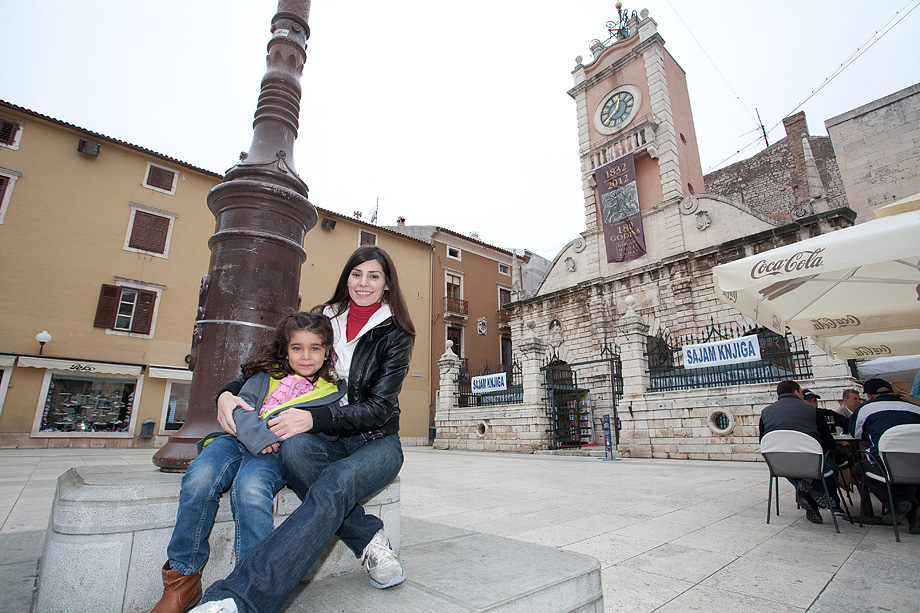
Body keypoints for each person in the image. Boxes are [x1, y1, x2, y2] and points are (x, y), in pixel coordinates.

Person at [191, 245, 416, 613]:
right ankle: (369, 537)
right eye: (356, 274)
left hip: (376, 441)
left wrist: (314, 419)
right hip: (324, 439)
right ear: (347, 277)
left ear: (387, 284)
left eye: (374, 276)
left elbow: (379, 407)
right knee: (296, 450)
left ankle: (238, 598)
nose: (363, 283)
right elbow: (277, 361)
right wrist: (227, 394)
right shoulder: (323, 318)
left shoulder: (396, 334)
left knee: (338, 479)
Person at [153, 312, 346, 613]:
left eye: (315, 348)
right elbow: (240, 409)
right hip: (234, 440)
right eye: (297, 348)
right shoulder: (264, 377)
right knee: (200, 475)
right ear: (285, 350)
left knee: (251, 488)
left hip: (276, 454)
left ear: (327, 353)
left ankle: (249, 586)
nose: (306, 356)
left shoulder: (332, 393)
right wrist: (260, 438)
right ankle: (182, 576)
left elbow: (327, 431)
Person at [760, 380, 839, 524]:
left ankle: (804, 491)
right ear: (796, 392)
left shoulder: (765, 412)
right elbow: (828, 442)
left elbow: (763, 440)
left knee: (789, 468)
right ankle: (813, 494)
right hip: (811, 462)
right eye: (801, 392)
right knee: (832, 465)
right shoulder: (811, 410)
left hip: (779, 464)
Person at [849, 378, 920, 531]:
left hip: (885, 465)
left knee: (858, 468)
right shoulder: (915, 407)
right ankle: (914, 515)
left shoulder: (865, 408)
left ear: (869, 395)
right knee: (906, 469)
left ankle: (897, 505)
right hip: (916, 465)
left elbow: (856, 434)